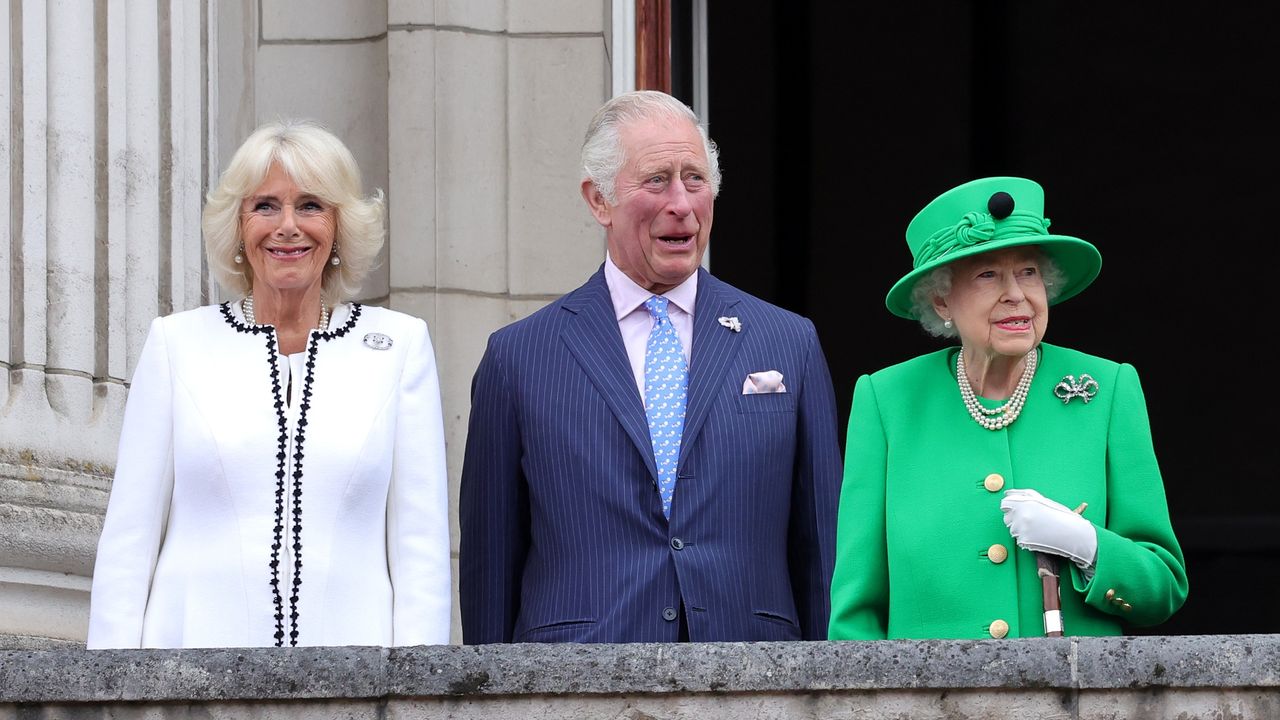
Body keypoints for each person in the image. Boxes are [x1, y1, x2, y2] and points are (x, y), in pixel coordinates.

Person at [459, 90, 843, 643]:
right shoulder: (519, 357)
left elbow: (820, 549)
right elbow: (490, 565)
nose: (682, 204)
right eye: (657, 180)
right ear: (600, 201)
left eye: (695, 179)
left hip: (753, 678)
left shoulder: (788, 341)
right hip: (575, 681)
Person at [86, 119, 452, 648]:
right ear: (238, 228)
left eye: (310, 205)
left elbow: (420, 550)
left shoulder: (399, 347)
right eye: (265, 206)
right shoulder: (177, 345)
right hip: (189, 674)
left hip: (351, 678)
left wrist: (417, 691)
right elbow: (128, 541)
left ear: (339, 227)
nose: (287, 226)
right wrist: (111, 691)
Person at [828, 176, 1188, 640]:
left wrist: (1089, 546)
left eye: (1028, 272)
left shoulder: (1108, 388)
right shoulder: (887, 401)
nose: (1016, 294)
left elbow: (1163, 587)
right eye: (987, 275)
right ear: (941, 299)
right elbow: (855, 614)